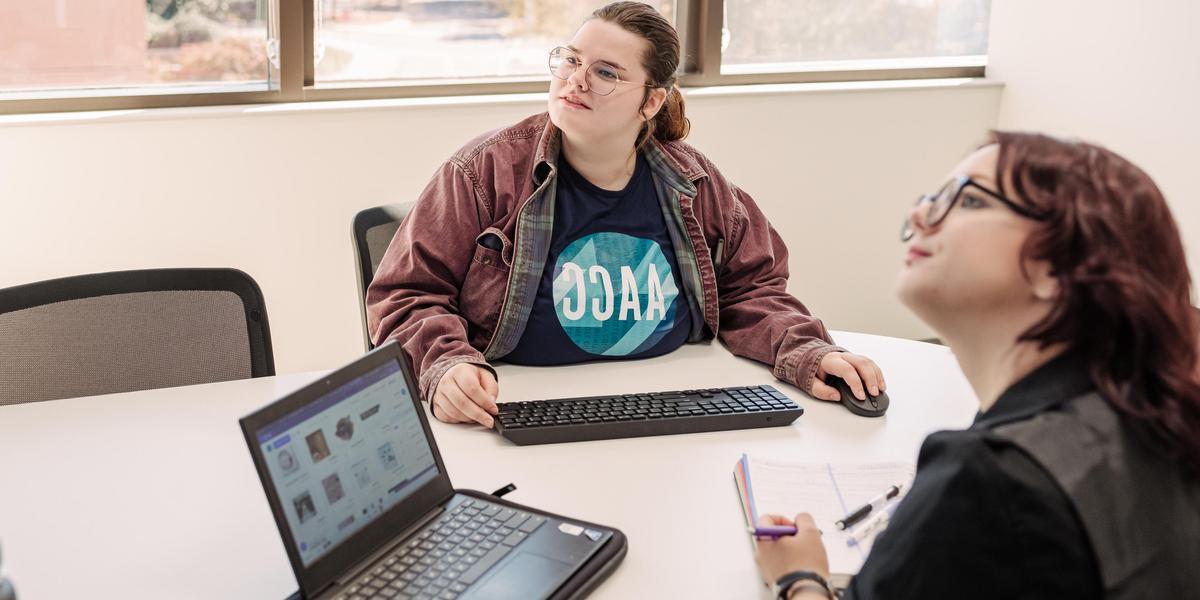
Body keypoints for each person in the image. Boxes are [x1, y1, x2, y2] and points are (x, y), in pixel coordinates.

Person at [366, 2, 885, 427]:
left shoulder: (695, 183)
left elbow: (751, 288)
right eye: (571, 61)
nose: (576, 81)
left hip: (669, 410)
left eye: (606, 73)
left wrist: (808, 351)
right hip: (516, 414)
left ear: (651, 101)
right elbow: (405, 294)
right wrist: (445, 366)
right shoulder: (483, 172)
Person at [754, 132, 1200, 599]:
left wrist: (799, 578)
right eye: (932, 199)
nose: (919, 216)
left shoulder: (990, 484)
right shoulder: (1158, 420)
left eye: (968, 200)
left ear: (1059, 265)